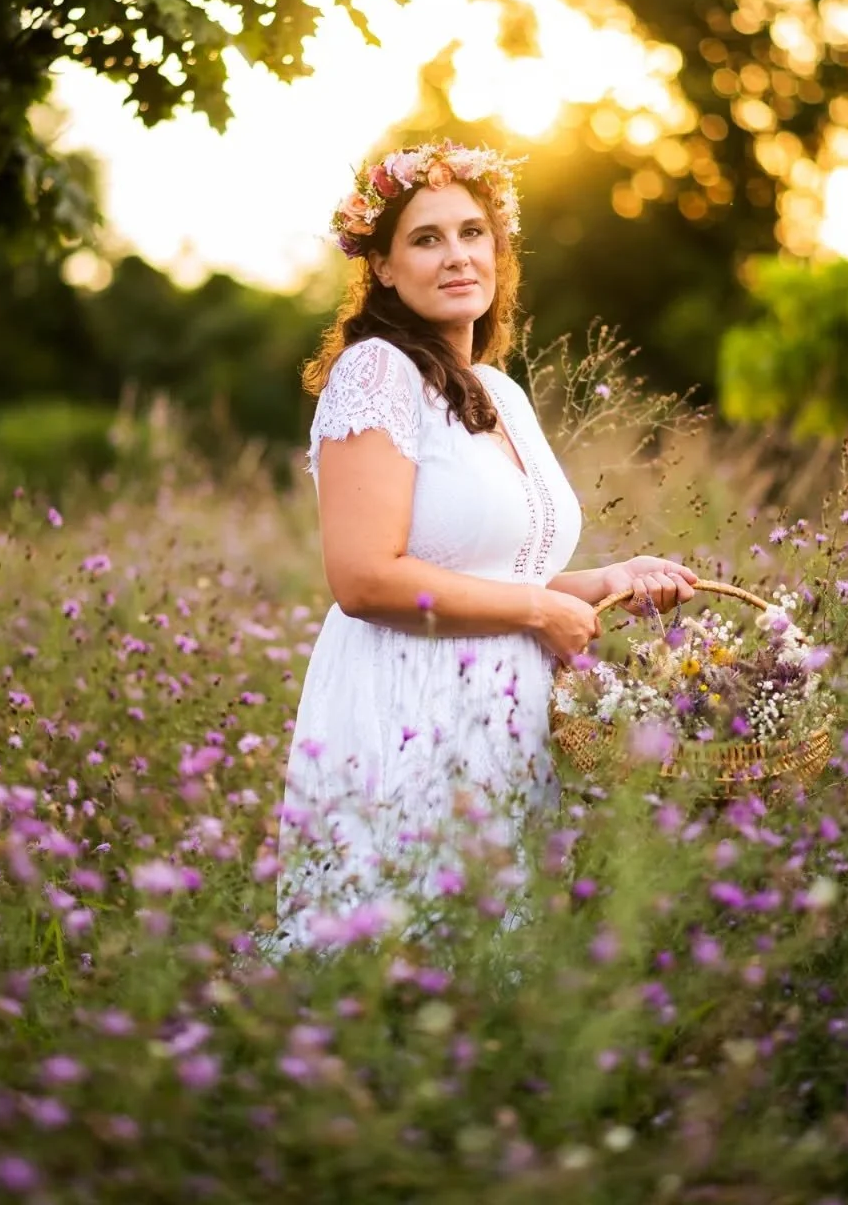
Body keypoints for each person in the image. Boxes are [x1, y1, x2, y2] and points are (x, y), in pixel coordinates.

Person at [271, 140, 696, 950]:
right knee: (401, 960)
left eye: (473, 232)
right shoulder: (376, 374)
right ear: (384, 268)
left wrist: (608, 579)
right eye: (427, 238)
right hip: (408, 705)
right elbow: (364, 579)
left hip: (501, 715)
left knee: (491, 975)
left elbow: (493, 573)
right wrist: (537, 611)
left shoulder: (497, 390)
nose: (458, 255)